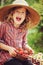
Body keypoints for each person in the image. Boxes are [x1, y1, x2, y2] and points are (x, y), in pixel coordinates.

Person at [0, 0, 40, 65]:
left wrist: (28, 48)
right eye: (17, 11)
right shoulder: (4, 25)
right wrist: (9, 49)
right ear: (12, 13)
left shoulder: (24, 28)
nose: (19, 14)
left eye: (22, 12)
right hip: (7, 57)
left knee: (30, 64)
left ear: (25, 16)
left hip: (21, 57)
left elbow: (24, 43)